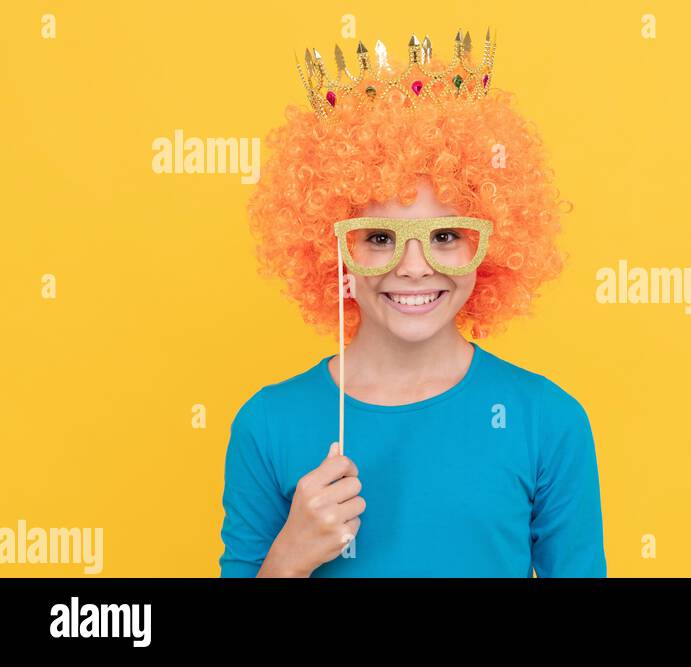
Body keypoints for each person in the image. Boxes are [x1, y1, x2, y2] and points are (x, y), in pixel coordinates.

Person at [219, 30, 606, 577]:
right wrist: (287, 559)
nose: (414, 266)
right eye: (379, 238)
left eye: (446, 236)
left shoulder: (546, 420)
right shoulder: (268, 423)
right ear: (335, 251)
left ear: (491, 242)